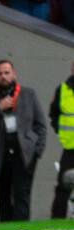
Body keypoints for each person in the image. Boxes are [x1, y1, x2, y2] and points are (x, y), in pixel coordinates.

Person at [0, 59, 46, 222]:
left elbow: (40, 125)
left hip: (24, 154)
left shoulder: (28, 94)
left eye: (6, 73)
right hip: (1, 154)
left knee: (22, 198)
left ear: (14, 74)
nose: (3, 76)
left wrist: (37, 151)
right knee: (4, 199)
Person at [49, 61, 74, 219]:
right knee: (63, 186)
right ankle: (56, 222)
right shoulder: (62, 89)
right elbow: (54, 114)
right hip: (70, 147)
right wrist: (60, 131)